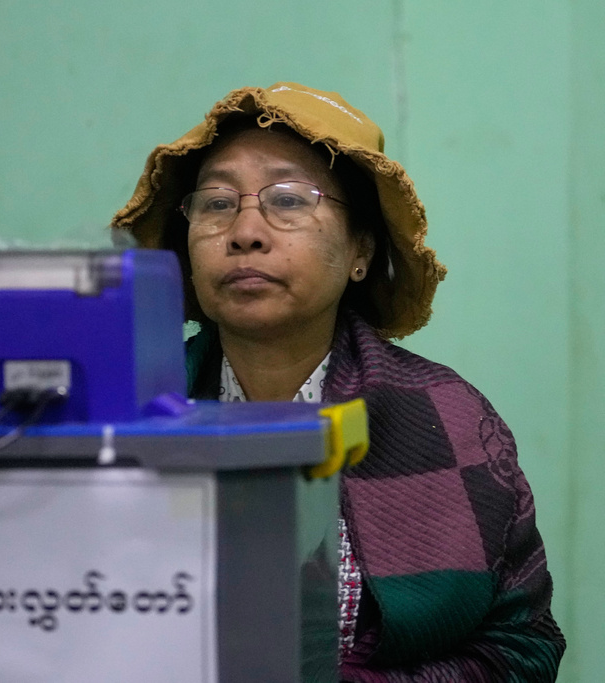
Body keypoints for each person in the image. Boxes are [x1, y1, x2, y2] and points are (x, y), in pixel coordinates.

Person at [112, 83, 565, 681]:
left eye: (290, 200)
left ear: (360, 251)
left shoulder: (448, 420)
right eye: (217, 202)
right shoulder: (122, 412)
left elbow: (523, 646)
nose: (246, 231)